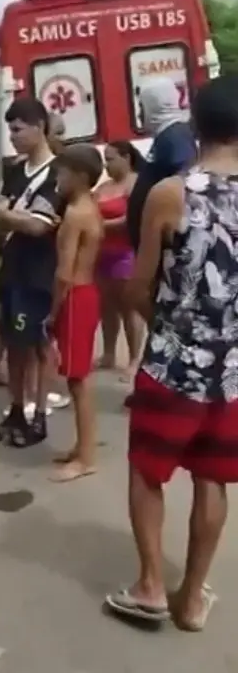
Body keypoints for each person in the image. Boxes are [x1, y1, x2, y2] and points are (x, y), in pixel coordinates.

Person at [106, 74, 238, 632]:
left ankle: (151, 587)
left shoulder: (171, 193)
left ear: (196, 126)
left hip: (172, 364)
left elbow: (138, 287)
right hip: (234, 374)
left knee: (146, 471)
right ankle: (190, 601)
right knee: (213, 479)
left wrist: (167, 330)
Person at [0, 98, 61, 448]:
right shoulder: (16, 171)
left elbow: (38, 226)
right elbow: (0, 215)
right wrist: (8, 217)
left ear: (39, 127)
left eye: (18, 129)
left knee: (39, 344)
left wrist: (7, 215)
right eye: (10, 129)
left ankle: (40, 414)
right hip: (11, 270)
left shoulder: (57, 173)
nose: (13, 137)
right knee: (14, 345)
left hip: (40, 273)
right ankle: (16, 407)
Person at [48, 145, 104, 483]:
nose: (58, 177)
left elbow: (64, 273)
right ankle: (82, 447)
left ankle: (86, 457)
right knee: (76, 378)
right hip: (87, 294)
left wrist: (52, 311)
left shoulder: (75, 214)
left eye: (63, 171)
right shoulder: (88, 208)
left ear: (80, 177)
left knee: (78, 380)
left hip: (75, 297)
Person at [126, 77, 197, 253]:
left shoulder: (174, 138)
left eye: (142, 107)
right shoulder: (166, 136)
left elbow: (181, 181)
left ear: (154, 105)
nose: (139, 115)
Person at [94, 141, 146, 377]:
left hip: (126, 253)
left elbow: (129, 220)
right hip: (102, 252)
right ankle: (108, 353)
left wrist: (100, 225)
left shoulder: (135, 183)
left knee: (129, 307)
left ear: (126, 157)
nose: (107, 164)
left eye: (111, 158)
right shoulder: (104, 187)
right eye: (105, 159)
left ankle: (135, 358)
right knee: (107, 306)